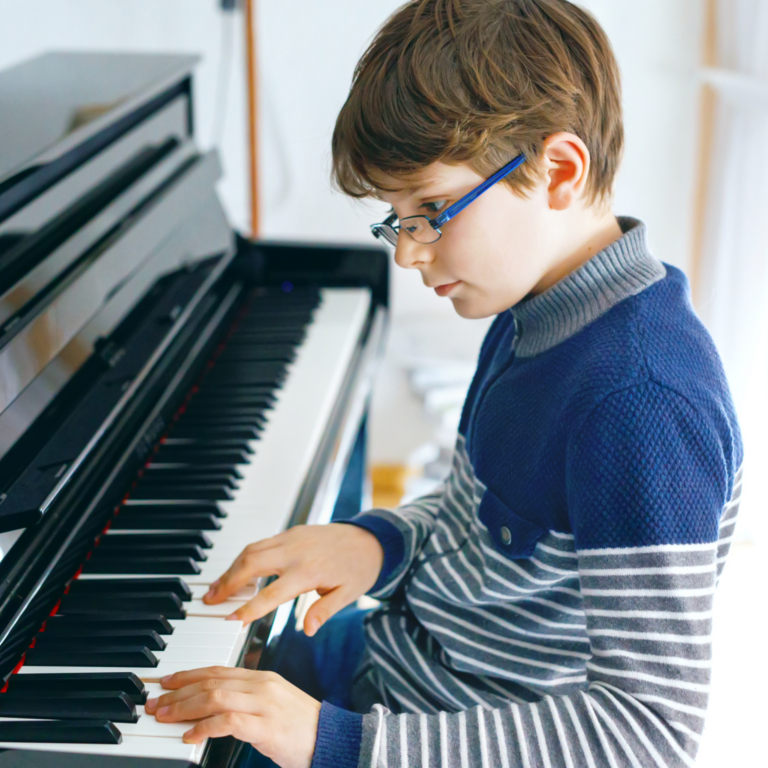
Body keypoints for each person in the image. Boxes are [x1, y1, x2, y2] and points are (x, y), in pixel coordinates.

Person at [145, 1, 743, 766]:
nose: (408, 253)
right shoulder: (535, 306)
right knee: (162, 685)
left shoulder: (641, 405)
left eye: (431, 210)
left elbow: (645, 734)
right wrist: (379, 543)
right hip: (396, 670)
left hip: (438, 736)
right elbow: (483, 524)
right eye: (397, 219)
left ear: (558, 171)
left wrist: (332, 741)